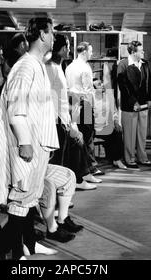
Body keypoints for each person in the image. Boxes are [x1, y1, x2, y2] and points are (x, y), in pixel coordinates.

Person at [0, 17, 59, 260]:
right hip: (27, 145)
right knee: (21, 199)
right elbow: (15, 108)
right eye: (51, 33)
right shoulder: (26, 65)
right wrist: (24, 142)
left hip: (37, 143)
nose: (54, 37)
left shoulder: (35, 64)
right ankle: (1, 252)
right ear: (41, 35)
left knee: (29, 199)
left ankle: (23, 246)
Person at [46, 33, 97, 191]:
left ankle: (79, 177)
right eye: (67, 46)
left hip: (66, 116)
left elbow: (61, 91)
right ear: (61, 49)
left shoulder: (61, 66)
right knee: (61, 157)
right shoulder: (51, 67)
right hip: (58, 118)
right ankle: (58, 191)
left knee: (78, 143)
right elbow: (50, 96)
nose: (69, 49)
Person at [65, 42, 103, 182]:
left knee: (77, 138)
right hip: (84, 103)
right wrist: (93, 108)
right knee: (87, 136)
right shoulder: (85, 68)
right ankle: (89, 169)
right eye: (90, 51)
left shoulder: (69, 67)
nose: (92, 54)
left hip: (72, 104)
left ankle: (81, 169)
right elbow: (88, 90)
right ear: (84, 52)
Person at [117, 41, 151, 170]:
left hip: (143, 105)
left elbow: (150, 82)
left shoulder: (145, 64)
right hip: (130, 106)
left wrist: (150, 99)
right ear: (133, 52)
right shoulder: (123, 64)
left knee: (142, 134)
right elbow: (123, 86)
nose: (143, 52)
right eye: (140, 50)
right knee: (129, 134)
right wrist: (133, 102)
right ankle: (130, 158)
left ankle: (142, 157)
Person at [93, 78, 127, 169]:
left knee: (117, 131)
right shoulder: (91, 99)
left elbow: (114, 112)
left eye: (102, 83)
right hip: (95, 128)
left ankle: (117, 160)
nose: (103, 85)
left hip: (106, 126)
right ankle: (91, 164)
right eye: (99, 84)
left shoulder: (109, 97)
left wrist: (115, 121)